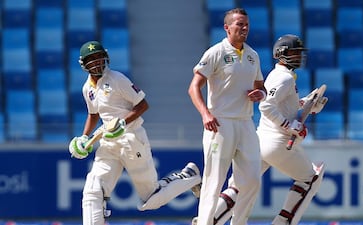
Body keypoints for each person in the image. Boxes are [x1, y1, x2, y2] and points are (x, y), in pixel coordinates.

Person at [68, 40, 202, 225]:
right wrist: (84, 137)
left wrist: (122, 124)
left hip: (131, 139)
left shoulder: (117, 79)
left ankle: (189, 175)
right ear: (84, 64)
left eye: (99, 57)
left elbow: (142, 105)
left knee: (151, 198)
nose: (97, 62)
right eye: (92, 59)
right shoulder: (87, 88)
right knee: (92, 190)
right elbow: (93, 114)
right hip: (108, 144)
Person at [205, 34, 328, 225]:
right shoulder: (285, 78)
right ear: (281, 54)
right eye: (294, 52)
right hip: (277, 143)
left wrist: (307, 106)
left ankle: (208, 220)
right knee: (310, 178)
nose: (299, 56)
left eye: (299, 53)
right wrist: (289, 126)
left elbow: (282, 106)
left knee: (239, 187)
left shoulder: (278, 75)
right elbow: (266, 106)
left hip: (260, 141)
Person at [188, 8, 267, 225]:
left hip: (245, 122)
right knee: (214, 181)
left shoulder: (253, 55)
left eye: (246, 25)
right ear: (227, 27)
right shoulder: (216, 52)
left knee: (252, 180)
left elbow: (261, 87)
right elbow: (194, 87)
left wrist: (260, 94)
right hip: (220, 123)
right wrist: (205, 114)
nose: (244, 29)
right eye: (239, 24)